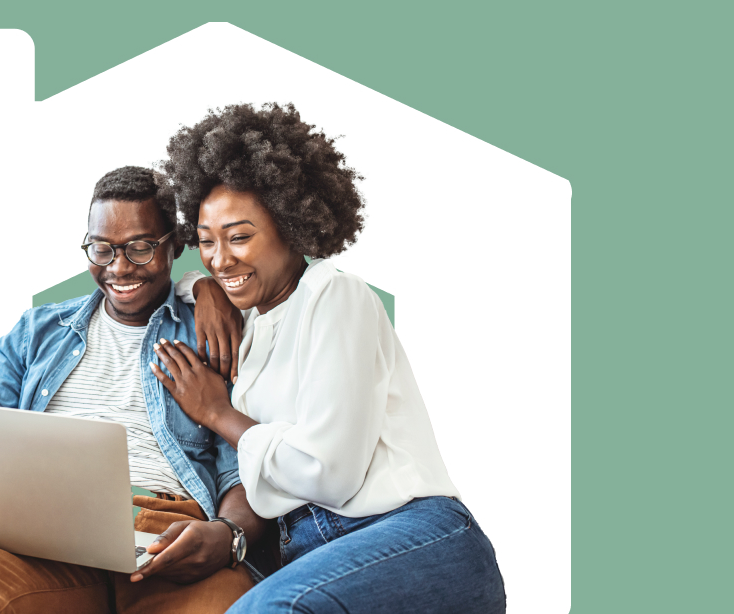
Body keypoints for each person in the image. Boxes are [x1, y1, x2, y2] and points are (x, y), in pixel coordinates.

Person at [151, 104, 507, 613]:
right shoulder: (251, 319)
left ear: (291, 225)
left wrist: (218, 414)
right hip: (313, 555)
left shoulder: (334, 296)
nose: (221, 258)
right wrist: (203, 287)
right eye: (206, 242)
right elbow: (187, 281)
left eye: (240, 237)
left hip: (410, 535)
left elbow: (328, 474)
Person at [0, 166, 269, 614]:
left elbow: (248, 463)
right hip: (45, 536)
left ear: (174, 246)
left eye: (140, 248)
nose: (119, 268)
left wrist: (228, 535)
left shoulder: (214, 333)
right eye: (102, 249)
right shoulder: (37, 332)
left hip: (170, 534)